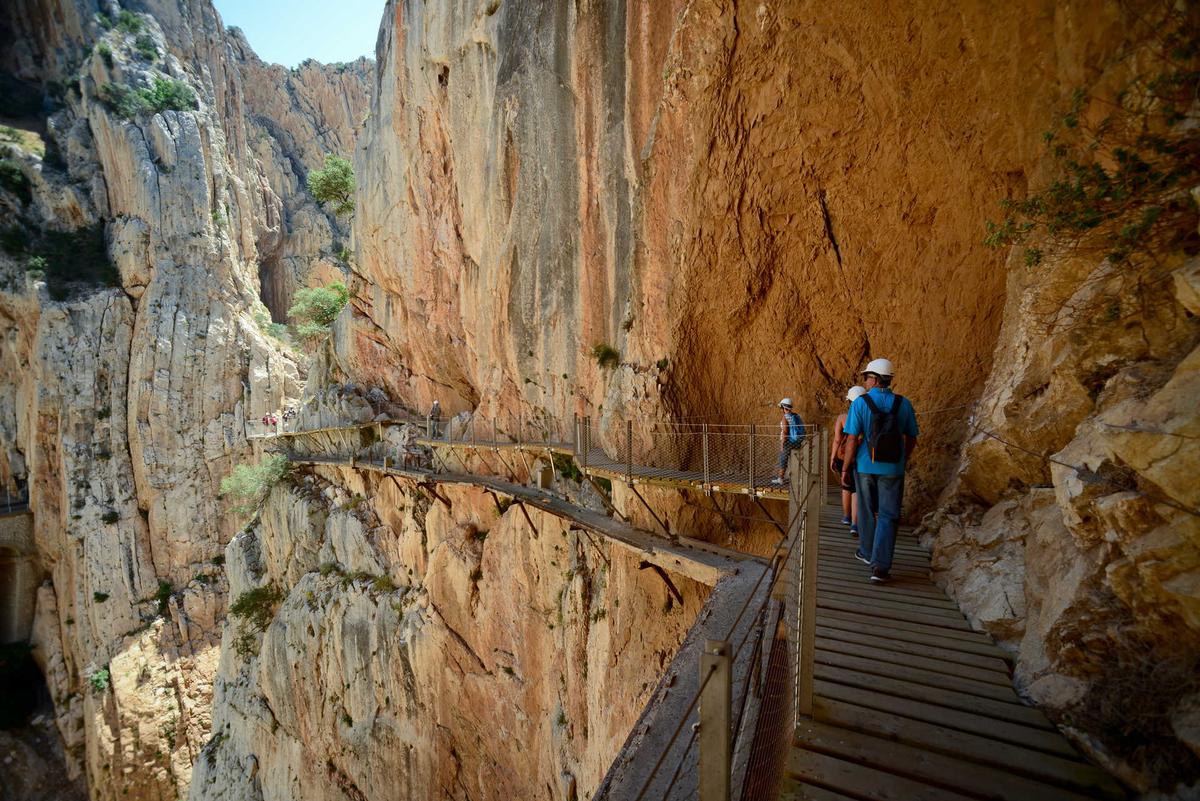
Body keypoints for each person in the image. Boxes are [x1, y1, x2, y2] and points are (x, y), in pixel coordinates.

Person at [840, 359, 918, 583]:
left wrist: (846, 467)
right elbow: (911, 437)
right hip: (893, 467)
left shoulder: (860, 404)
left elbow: (853, 439)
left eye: (866, 377)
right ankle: (880, 567)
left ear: (874, 379)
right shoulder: (903, 404)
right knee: (888, 515)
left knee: (865, 510)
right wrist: (903, 459)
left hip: (865, 466)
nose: (865, 381)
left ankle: (866, 552)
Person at [831, 386, 867, 536]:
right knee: (857, 490)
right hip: (861, 457)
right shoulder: (868, 417)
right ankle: (855, 524)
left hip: (843, 456)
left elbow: (837, 440)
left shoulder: (843, 418)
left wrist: (832, 457)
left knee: (846, 487)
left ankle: (846, 516)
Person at [771, 398, 806, 486]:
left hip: (789, 442)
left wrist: (783, 444)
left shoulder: (785, 417)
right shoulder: (796, 416)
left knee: (783, 459)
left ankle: (780, 479)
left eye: (781, 407)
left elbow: (785, 432)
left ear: (783, 407)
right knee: (796, 460)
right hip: (798, 442)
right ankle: (800, 479)